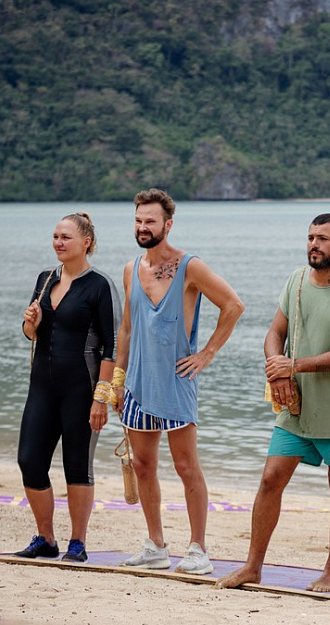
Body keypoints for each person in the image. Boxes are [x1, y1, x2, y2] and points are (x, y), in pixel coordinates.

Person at [215, 213, 330, 592]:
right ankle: (252, 566)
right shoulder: (296, 281)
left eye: (323, 238)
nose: (314, 245)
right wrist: (278, 371)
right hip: (295, 405)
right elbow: (275, 332)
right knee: (271, 478)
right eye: (310, 237)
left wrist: (295, 365)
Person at [110, 188, 245, 574]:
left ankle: (198, 549)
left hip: (176, 382)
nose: (142, 227)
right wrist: (118, 381)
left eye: (150, 221)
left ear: (167, 224)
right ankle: (155, 545)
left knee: (187, 467)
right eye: (138, 220)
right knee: (144, 467)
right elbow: (127, 329)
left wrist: (206, 353)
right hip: (137, 385)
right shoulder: (130, 269)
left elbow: (234, 305)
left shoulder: (190, 267)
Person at [15, 212, 121, 563]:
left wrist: (101, 398)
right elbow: (31, 334)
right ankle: (45, 538)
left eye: (66, 237)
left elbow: (112, 346)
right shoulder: (45, 280)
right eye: (56, 236)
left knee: (77, 465)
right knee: (30, 460)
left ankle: (78, 542)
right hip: (42, 386)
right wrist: (31, 324)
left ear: (86, 242)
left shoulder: (99, 285)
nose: (58, 243)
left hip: (81, 388)